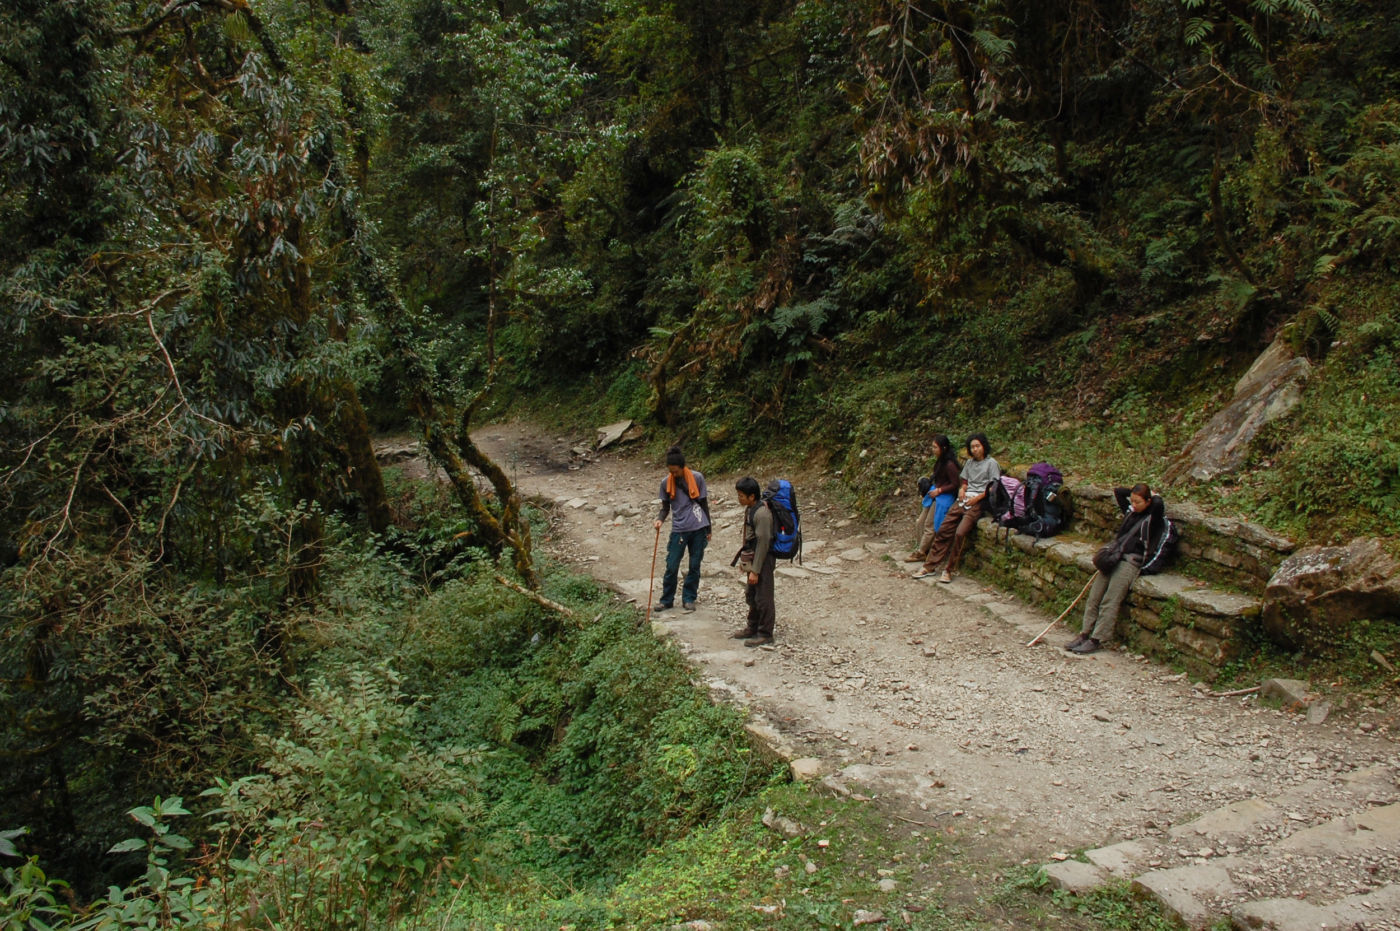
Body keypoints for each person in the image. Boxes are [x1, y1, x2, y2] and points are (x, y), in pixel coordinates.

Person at [1067, 483, 1166, 655]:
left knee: (1110, 599)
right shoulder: (1130, 513)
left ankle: (1097, 638)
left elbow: (1158, 504)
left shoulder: (1153, 518)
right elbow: (1119, 492)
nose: (1134, 505)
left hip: (1131, 562)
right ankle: (1084, 634)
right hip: (1114, 557)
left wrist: (1154, 495)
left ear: (1148, 501)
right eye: (1132, 501)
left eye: (1138, 502)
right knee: (1095, 596)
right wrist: (1135, 493)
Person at [915, 433, 1000, 584]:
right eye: (972, 447)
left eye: (977, 446)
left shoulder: (991, 463)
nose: (975, 450)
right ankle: (930, 566)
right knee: (944, 529)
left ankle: (949, 569)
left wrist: (978, 498)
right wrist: (962, 489)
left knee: (960, 533)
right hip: (963, 500)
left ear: (984, 446)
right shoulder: (969, 463)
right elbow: (964, 480)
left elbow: (993, 487)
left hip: (978, 502)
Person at [653, 446, 712, 612]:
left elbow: (704, 504)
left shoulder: (697, 478)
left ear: (682, 467)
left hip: (699, 527)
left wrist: (709, 529)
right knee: (672, 565)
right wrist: (659, 520)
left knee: (694, 565)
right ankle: (666, 600)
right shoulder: (666, 483)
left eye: (676, 471)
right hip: (679, 528)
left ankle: (689, 598)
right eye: (671, 472)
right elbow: (665, 508)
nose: (674, 475)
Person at [731, 476, 776, 646]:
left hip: (763, 559)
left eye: (741, 495)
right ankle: (753, 627)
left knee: (763, 596)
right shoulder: (750, 509)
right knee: (751, 593)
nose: (739, 498)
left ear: (752, 496)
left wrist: (756, 570)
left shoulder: (762, 514)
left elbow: (764, 542)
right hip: (754, 557)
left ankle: (765, 633)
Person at [906, 434, 961, 563]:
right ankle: (923, 548)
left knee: (929, 525)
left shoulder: (949, 465)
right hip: (935, 493)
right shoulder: (940, 462)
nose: (933, 449)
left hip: (943, 497)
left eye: (935, 447)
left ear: (944, 448)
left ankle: (921, 552)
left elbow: (955, 484)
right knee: (920, 522)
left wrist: (940, 490)